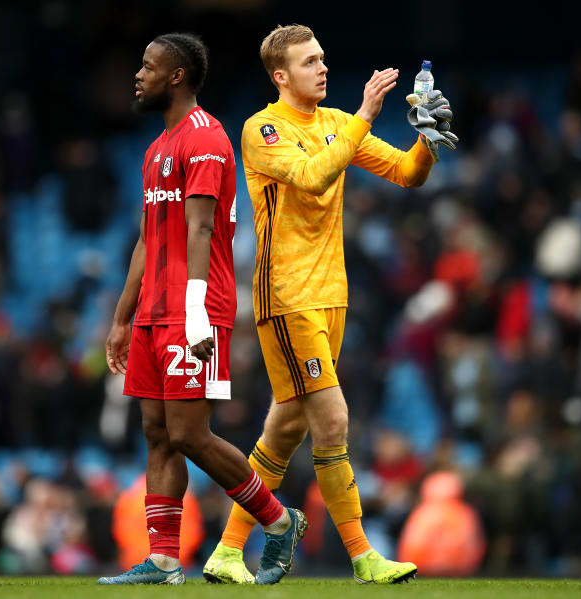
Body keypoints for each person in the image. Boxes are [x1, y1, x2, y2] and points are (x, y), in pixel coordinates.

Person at [203, 24, 455, 585]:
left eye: (322, 58)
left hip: (331, 298)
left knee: (286, 427)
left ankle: (225, 552)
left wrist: (428, 140)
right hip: (286, 295)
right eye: (308, 61)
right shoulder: (262, 129)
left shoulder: (337, 124)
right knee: (333, 421)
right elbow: (315, 178)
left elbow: (408, 174)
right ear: (280, 75)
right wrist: (367, 112)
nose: (322, 68)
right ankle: (364, 556)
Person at [99, 32, 307, 586]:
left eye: (148, 66)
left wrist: (194, 317)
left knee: (190, 433)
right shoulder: (156, 148)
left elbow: (200, 227)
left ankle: (280, 521)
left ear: (176, 76)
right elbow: (148, 238)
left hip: (197, 308)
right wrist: (122, 317)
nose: (137, 76)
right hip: (152, 309)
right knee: (156, 432)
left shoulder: (207, 140)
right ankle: (165, 561)